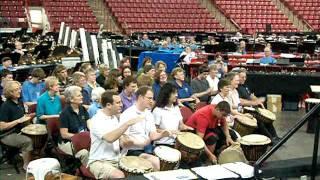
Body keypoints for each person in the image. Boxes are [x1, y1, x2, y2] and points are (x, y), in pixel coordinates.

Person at [88, 90, 143, 179]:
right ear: (108, 105)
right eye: (118, 103)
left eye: (121, 102)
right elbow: (109, 138)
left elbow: (119, 140)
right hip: (99, 162)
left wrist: (126, 142)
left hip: (116, 159)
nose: (121, 105)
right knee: (119, 175)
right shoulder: (96, 120)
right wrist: (127, 124)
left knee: (138, 171)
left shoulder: (113, 118)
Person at [119, 86, 172, 171]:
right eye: (149, 98)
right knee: (155, 161)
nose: (152, 101)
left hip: (146, 149)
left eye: (152, 98)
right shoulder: (127, 114)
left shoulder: (148, 114)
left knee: (168, 157)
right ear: (140, 97)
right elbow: (124, 142)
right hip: (131, 151)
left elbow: (153, 135)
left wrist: (163, 134)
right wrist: (142, 143)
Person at [0, 81, 33, 170]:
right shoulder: (5, 106)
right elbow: (2, 126)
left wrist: (28, 117)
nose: (19, 91)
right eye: (15, 90)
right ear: (10, 92)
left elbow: (22, 118)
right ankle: (26, 165)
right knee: (27, 141)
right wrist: (18, 121)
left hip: (19, 131)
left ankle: (31, 157)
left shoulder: (19, 102)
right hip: (7, 135)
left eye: (19, 89)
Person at [58, 85, 89, 165]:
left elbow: (89, 124)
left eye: (81, 95)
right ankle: (87, 172)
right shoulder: (65, 113)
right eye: (79, 96)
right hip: (68, 142)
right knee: (85, 153)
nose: (82, 97)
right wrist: (80, 138)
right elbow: (64, 134)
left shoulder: (82, 109)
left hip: (83, 138)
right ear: (71, 99)